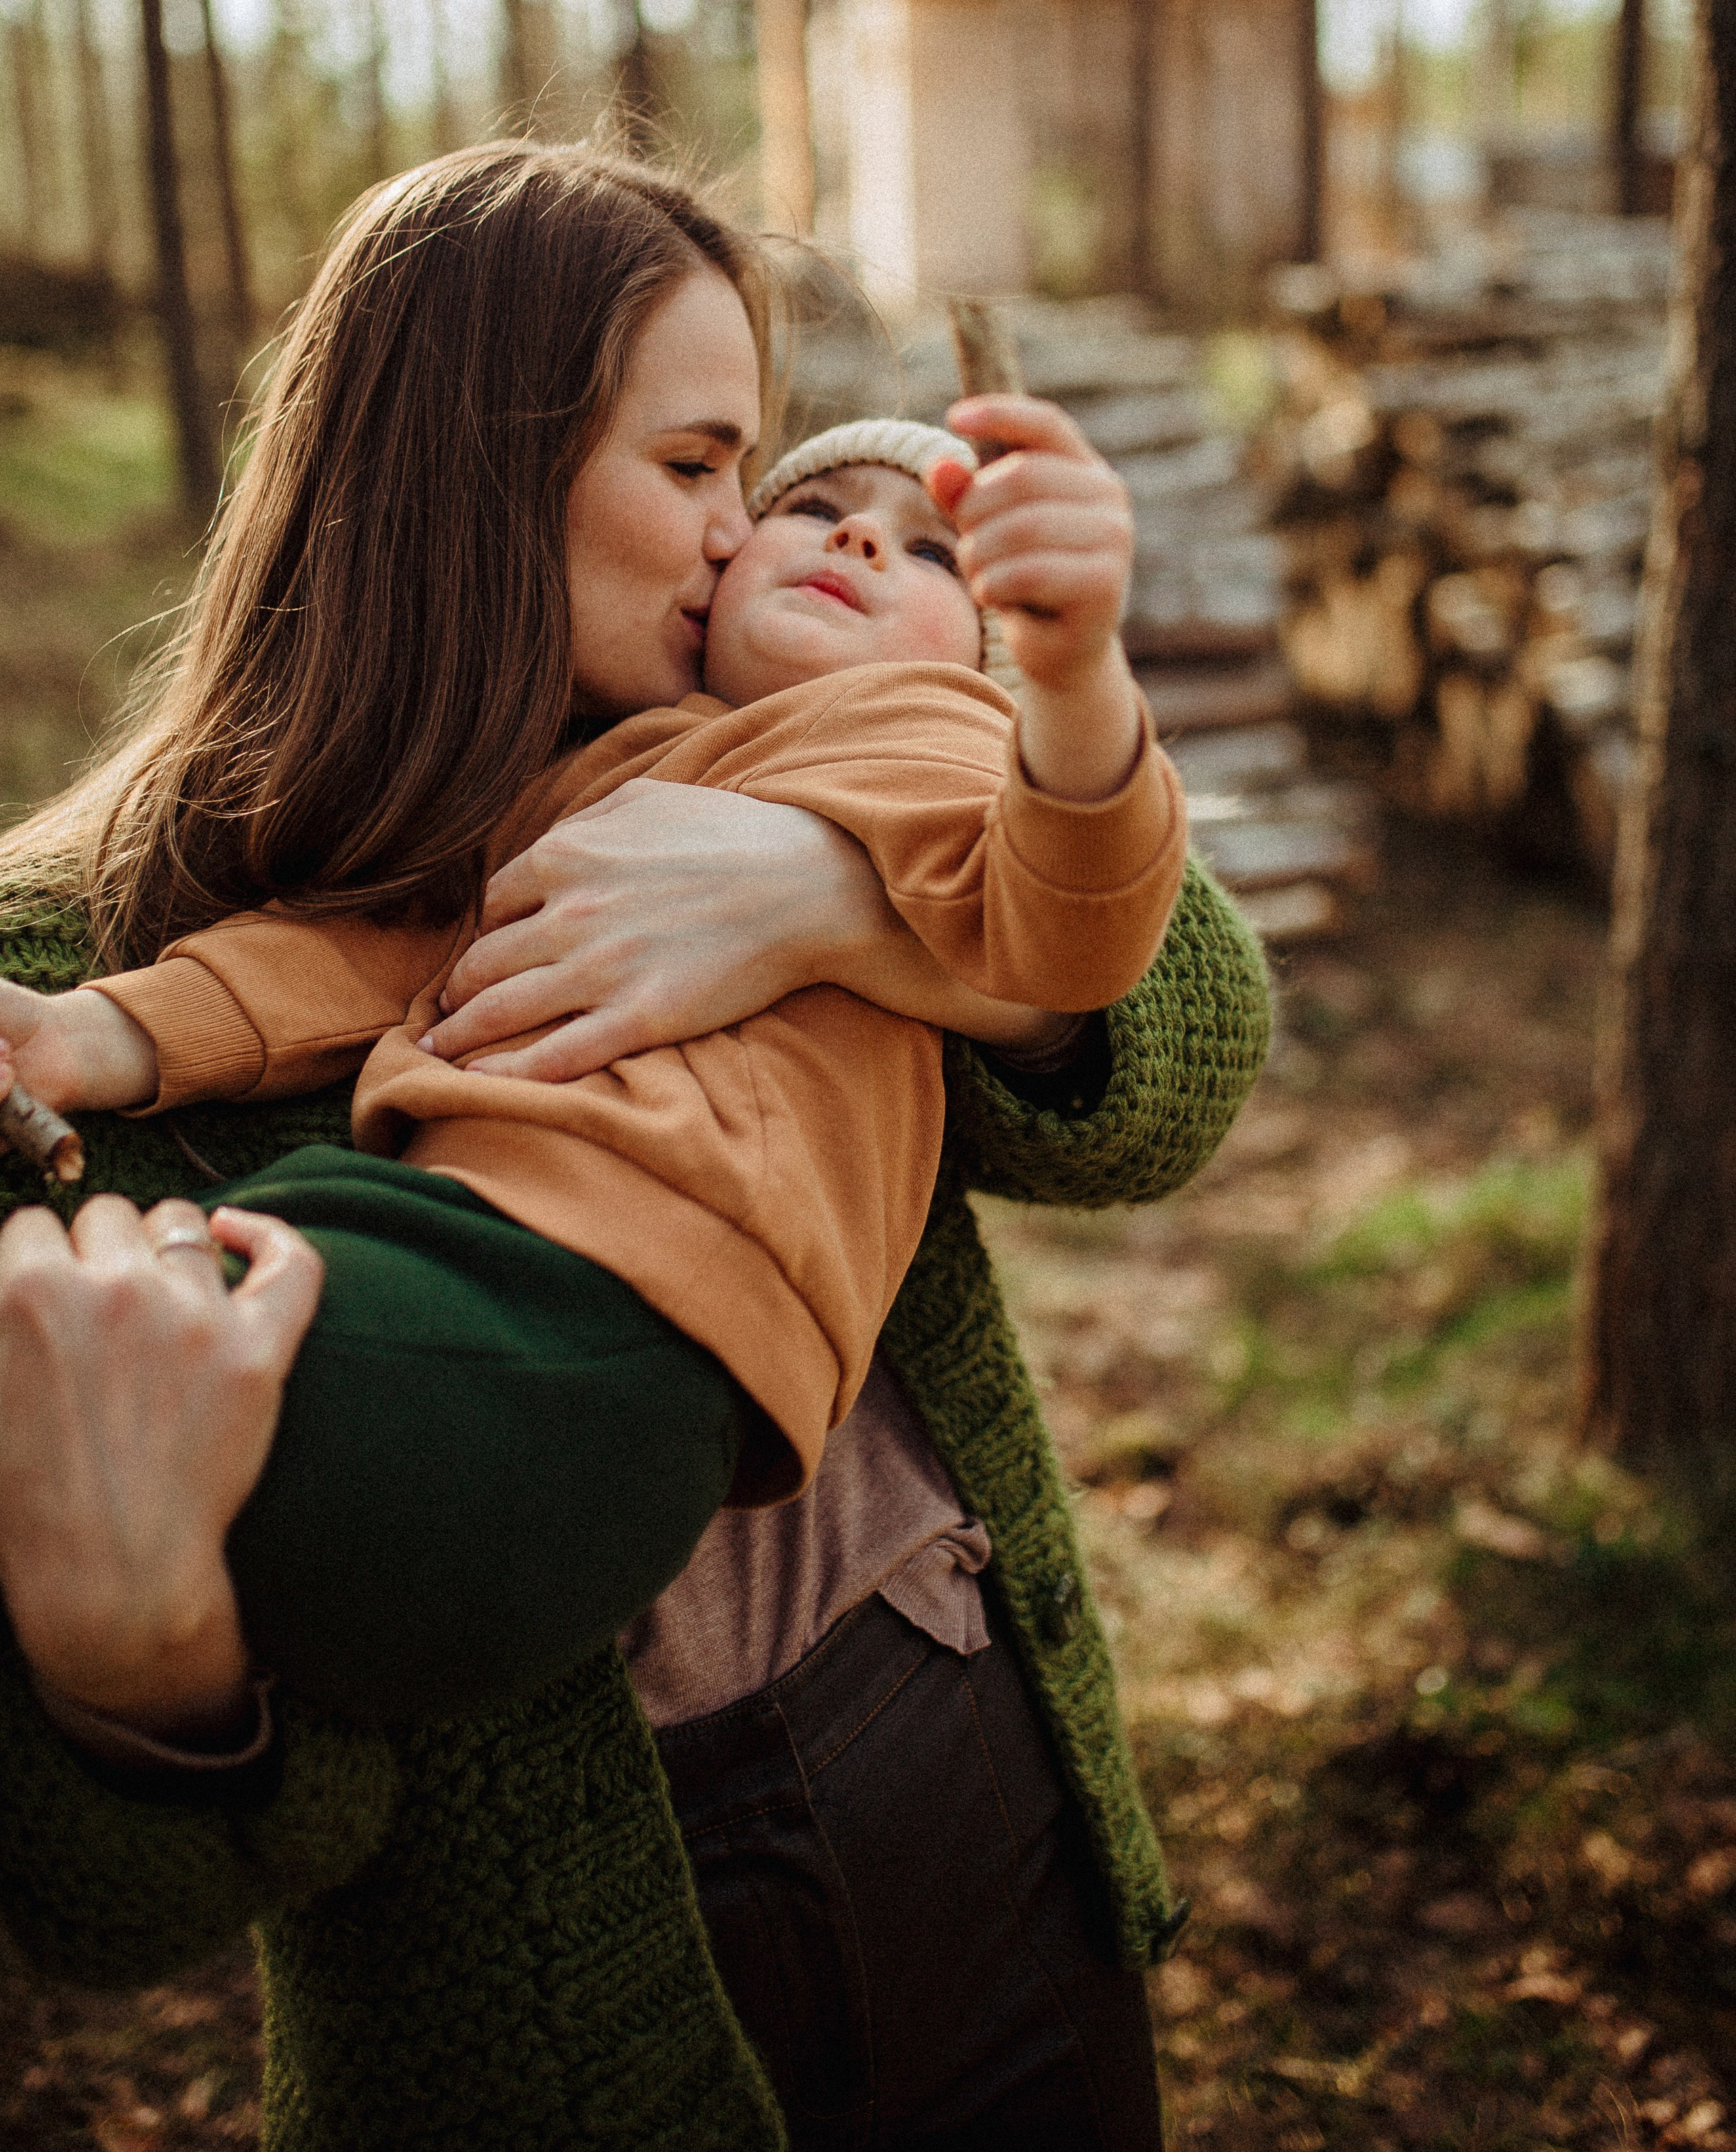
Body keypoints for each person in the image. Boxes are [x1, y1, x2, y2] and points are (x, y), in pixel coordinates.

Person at [0, 142, 1269, 2151]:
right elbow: (106, 1899)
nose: (751, 537)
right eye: (706, 471)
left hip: (973, 1768)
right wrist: (136, 1648)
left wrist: (821, 902)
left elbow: (1177, 1041)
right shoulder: (58, 973)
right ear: (470, 463)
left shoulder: (835, 757)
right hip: (572, 2016)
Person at [0, 407, 1188, 1723]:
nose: (858, 534)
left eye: (933, 554)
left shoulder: (936, 734)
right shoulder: (585, 769)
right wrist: (104, 1030)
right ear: (718, 565)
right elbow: (390, 948)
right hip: (446, 1242)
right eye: (813, 505)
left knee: (126, 1363)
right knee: (111, 1334)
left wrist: (1074, 684)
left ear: (980, 647)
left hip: (626, 1315)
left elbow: (1073, 919)